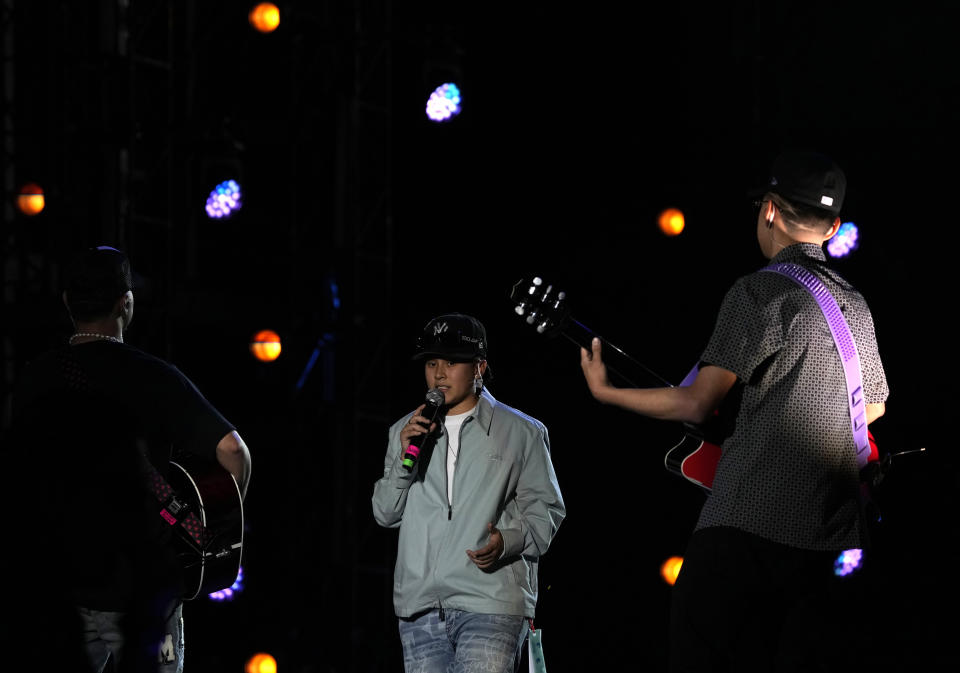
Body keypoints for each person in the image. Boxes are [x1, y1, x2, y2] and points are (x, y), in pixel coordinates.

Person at [579, 150, 889, 672]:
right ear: (833, 227)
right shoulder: (854, 304)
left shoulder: (759, 291)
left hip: (745, 526)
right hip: (828, 543)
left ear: (769, 210)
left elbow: (697, 401)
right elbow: (873, 407)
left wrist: (607, 392)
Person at [6, 246, 252, 673]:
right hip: (140, 590)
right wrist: (210, 526)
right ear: (126, 302)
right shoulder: (153, 376)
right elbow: (234, 452)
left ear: (67, 301)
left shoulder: (33, 378)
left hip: (58, 589)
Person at [372, 313, 565, 673]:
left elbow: (547, 511)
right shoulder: (405, 430)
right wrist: (403, 457)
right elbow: (385, 513)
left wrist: (507, 541)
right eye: (431, 362)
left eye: (452, 361)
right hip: (420, 607)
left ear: (480, 367)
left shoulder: (521, 431)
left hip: (490, 600)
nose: (439, 373)